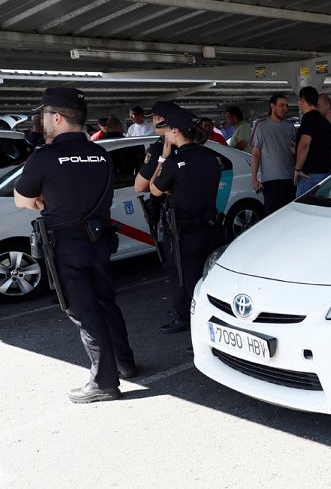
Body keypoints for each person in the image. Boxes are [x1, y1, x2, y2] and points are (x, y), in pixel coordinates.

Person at [14, 87, 136, 403]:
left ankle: (104, 382)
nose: (41, 121)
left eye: (43, 115)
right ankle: (125, 363)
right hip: (100, 240)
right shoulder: (102, 154)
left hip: (66, 245)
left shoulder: (44, 158)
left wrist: (43, 199)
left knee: (84, 311)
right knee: (106, 302)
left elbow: (22, 199)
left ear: (56, 117)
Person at [150, 103, 222, 334]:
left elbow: (154, 189)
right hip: (211, 228)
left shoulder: (173, 163)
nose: (166, 133)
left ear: (175, 132)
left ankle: (203, 334)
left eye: (168, 129)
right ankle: (195, 321)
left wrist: (162, 160)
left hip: (184, 234)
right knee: (208, 280)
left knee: (188, 283)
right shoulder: (211, 158)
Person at [251, 93, 296, 215]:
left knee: (290, 215)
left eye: (286, 106)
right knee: (273, 215)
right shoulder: (260, 125)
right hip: (271, 181)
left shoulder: (290, 126)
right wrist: (254, 178)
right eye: (282, 105)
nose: (285, 109)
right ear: (272, 106)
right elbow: (256, 153)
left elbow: (296, 151)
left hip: (291, 179)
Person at [294, 86, 331, 196]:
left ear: (302, 99)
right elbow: (330, 149)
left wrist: (297, 169)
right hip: (325, 173)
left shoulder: (308, 118)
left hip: (309, 176)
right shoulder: (325, 122)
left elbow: (305, 144)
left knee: (301, 209)